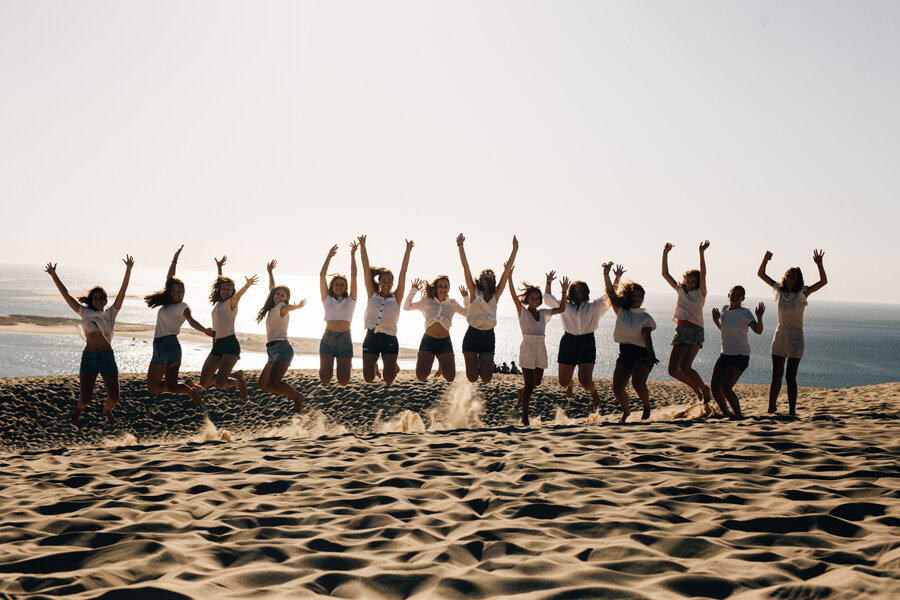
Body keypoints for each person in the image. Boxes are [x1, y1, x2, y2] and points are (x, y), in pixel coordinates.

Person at [45, 255, 134, 425]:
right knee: (86, 399)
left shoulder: (110, 314)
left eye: (102, 298)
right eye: (96, 298)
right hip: (89, 359)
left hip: (107, 358)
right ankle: (79, 409)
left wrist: (128, 271)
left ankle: (107, 410)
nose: (99, 300)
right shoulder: (84, 312)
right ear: (91, 300)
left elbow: (122, 293)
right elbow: (66, 295)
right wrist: (54, 276)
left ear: (106, 300)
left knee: (114, 398)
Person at [757, 249, 827, 416]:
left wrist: (819, 265)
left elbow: (823, 281)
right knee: (776, 375)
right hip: (780, 333)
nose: (789, 279)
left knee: (790, 376)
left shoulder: (802, 292)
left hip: (796, 336)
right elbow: (761, 274)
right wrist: (765, 260)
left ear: (798, 280)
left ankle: (792, 411)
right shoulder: (780, 290)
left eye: (793, 277)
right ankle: (771, 408)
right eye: (788, 276)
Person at [145, 245, 215, 407]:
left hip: (171, 347)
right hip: (157, 347)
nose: (177, 293)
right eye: (174, 290)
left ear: (184, 292)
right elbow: (170, 277)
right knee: (152, 388)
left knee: (171, 386)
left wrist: (205, 330)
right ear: (169, 292)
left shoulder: (183, 307)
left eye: (180, 291)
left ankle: (191, 391)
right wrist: (174, 259)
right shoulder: (168, 303)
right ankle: (188, 383)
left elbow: (191, 321)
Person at [544, 266, 623, 406]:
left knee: (586, 382)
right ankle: (570, 384)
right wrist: (548, 282)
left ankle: (593, 391)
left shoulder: (594, 306)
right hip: (568, 342)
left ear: (586, 292)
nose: (578, 293)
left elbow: (610, 295)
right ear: (571, 292)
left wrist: (616, 278)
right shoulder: (566, 305)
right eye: (575, 290)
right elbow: (548, 299)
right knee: (563, 382)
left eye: (581, 290)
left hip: (586, 343)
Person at [507, 269, 569, 425]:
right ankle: (524, 417)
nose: (535, 300)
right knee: (529, 385)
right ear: (527, 299)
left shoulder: (543, 313)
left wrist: (564, 292)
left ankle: (521, 392)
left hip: (541, 347)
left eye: (537, 298)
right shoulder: (522, 311)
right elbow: (514, 296)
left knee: (537, 382)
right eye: (532, 297)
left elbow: (562, 309)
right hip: (528, 347)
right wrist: (509, 277)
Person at [457, 234, 518, 383]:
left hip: (488, 337)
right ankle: (474, 364)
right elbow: (466, 269)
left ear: (493, 280)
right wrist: (460, 246)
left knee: (486, 378)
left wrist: (515, 250)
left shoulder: (496, 294)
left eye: (490, 278)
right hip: (472, 335)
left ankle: (480, 363)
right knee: (471, 378)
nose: (487, 280)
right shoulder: (474, 293)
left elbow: (506, 272)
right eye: (485, 278)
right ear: (480, 279)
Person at [604, 262, 658, 422]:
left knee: (637, 383)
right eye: (634, 295)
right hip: (625, 354)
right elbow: (610, 293)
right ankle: (626, 412)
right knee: (617, 388)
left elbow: (647, 337)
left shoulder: (645, 317)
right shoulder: (621, 311)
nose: (637, 298)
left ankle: (646, 406)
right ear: (629, 297)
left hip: (642, 354)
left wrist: (652, 355)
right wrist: (608, 275)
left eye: (640, 296)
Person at [198, 255, 258, 398]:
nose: (225, 291)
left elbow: (239, 295)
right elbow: (220, 282)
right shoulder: (219, 303)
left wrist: (247, 285)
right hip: (216, 345)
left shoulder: (231, 303)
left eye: (229, 290)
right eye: (223, 289)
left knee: (220, 383)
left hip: (230, 346)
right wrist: (219, 268)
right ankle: (235, 375)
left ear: (232, 292)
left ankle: (239, 382)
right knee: (204, 381)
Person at [358, 236, 413, 385]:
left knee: (388, 380)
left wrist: (407, 251)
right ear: (379, 282)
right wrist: (363, 246)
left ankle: (393, 365)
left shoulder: (397, 298)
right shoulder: (372, 295)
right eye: (384, 281)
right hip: (371, 337)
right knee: (368, 379)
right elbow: (365, 269)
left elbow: (403, 273)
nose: (386, 283)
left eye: (389, 281)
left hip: (389, 339)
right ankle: (375, 364)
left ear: (392, 283)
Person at [662, 241, 711, 403]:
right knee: (673, 370)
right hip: (681, 331)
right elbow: (665, 274)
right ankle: (698, 389)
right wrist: (665, 253)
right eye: (687, 281)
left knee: (686, 367)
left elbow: (703, 274)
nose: (689, 284)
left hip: (695, 331)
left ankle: (704, 390)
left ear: (697, 283)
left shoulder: (700, 293)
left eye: (693, 282)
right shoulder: (680, 290)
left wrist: (701, 253)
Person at [257, 259, 307, 412]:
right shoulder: (273, 307)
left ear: (286, 299)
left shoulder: (281, 307)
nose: (279, 296)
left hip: (282, 349)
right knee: (263, 385)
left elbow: (287, 308)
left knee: (275, 383)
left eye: (283, 295)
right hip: (272, 351)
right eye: (277, 294)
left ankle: (297, 397)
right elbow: (273, 288)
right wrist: (270, 272)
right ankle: (294, 396)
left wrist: (297, 307)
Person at [710, 286, 765, 417]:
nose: (736, 295)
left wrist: (759, 317)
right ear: (729, 295)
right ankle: (726, 415)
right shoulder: (724, 310)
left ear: (742, 299)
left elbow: (758, 330)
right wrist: (716, 320)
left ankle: (739, 417)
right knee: (715, 388)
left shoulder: (745, 313)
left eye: (739, 294)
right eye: (734, 292)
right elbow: (724, 329)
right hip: (725, 355)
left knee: (726, 388)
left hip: (740, 356)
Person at [404, 275, 467, 382]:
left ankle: (441, 363)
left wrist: (466, 298)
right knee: (421, 376)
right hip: (428, 341)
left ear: (449, 288)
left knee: (450, 377)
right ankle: (439, 362)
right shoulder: (426, 300)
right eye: (440, 286)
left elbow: (468, 314)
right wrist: (413, 291)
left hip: (444, 342)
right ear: (436, 287)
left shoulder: (452, 303)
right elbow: (406, 307)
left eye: (446, 286)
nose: (443, 289)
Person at [319, 243, 358, 386]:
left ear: (346, 287)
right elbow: (322, 275)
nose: (339, 286)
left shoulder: (351, 300)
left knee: (343, 381)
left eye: (342, 284)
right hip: (328, 338)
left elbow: (354, 276)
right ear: (332, 286)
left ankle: (346, 365)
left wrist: (353, 255)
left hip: (345, 340)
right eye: (336, 284)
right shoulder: (326, 299)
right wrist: (329, 257)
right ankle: (327, 365)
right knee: (325, 379)